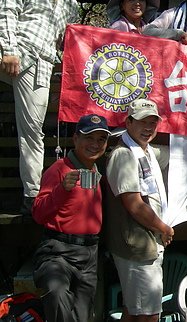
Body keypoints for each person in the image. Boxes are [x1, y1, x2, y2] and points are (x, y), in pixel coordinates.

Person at [0, 0, 81, 214]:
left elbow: (65, 43)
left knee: (32, 129)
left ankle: (31, 194)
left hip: (40, 67)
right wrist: (9, 50)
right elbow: (7, 12)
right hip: (13, 51)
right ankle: (32, 192)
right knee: (31, 131)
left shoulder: (72, 3)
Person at [31, 114, 110, 322]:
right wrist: (61, 190)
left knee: (82, 317)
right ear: (75, 139)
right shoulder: (59, 169)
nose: (95, 144)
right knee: (56, 296)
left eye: (101, 139)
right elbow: (38, 213)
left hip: (89, 254)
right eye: (89, 138)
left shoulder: (96, 169)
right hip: (58, 251)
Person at [105, 99, 174, 322]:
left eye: (153, 123)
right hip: (135, 242)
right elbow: (134, 205)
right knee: (148, 313)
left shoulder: (147, 152)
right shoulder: (123, 154)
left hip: (146, 241)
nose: (148, 128)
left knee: (136, 309)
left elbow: (181, 154)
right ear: (129, 123)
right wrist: (163, 227)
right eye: (143, 122)